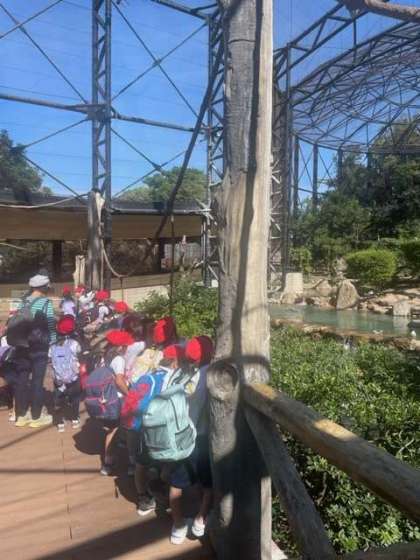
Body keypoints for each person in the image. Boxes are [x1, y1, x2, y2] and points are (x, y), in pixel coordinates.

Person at [166, 335, 214, 544]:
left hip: (178, 435)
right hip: (200, 437)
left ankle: (178, 526)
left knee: (176, 483)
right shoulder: (208, 374)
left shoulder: (179, 373)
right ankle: (200, 520)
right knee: (207, 482)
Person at [13, 274, 56, 428]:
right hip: (39, 347)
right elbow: (50, 325)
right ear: (44, 287)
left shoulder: (23, 302)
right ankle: (36, 417)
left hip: (21, 345)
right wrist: (53, 342)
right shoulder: (46, 303)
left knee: (22, 380)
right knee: (37, 381)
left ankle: (21, 416)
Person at [100, 329, 133, 475]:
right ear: (120, 347)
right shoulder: (118, 359)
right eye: (125, 346)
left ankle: (108, 462)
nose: (126, 348)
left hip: (107, 398)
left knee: (111, 430)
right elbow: (119, 381)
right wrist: (129, 394)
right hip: (117, 398)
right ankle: (128, 464)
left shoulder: (105, 356)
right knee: (122, 430)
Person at [51, 315, 82, 433]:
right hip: (73, 378)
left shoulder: (52, 346)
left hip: (58, 380)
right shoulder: (74, 344)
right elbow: (79, 352)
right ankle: (74, 419)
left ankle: (60, 423)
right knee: (75, 398)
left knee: (59, 400)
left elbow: (50, 359)